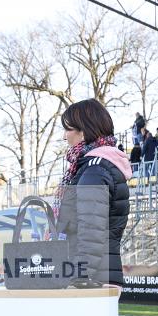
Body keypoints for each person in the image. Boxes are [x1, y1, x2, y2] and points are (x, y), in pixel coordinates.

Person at [53, 98, 130, 287]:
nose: (65, 137)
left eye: (68, 129)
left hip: (93, 280)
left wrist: (79, 275)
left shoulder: (95, 169)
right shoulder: (97, 165)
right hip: (99, 275)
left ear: (83, 130)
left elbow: (91, 230)